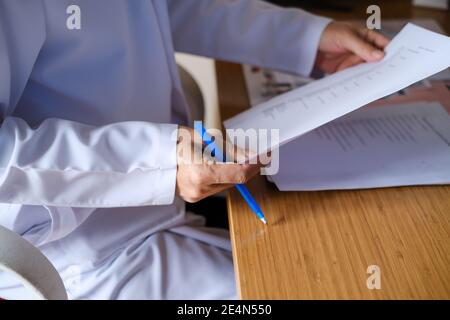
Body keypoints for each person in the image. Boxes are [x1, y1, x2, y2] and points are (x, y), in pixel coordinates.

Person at [0, 0, 389, 299]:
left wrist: (306, 40)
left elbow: (168, 8)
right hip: (78, 255)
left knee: (334, 268)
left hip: (153, 213)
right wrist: (159, 159)